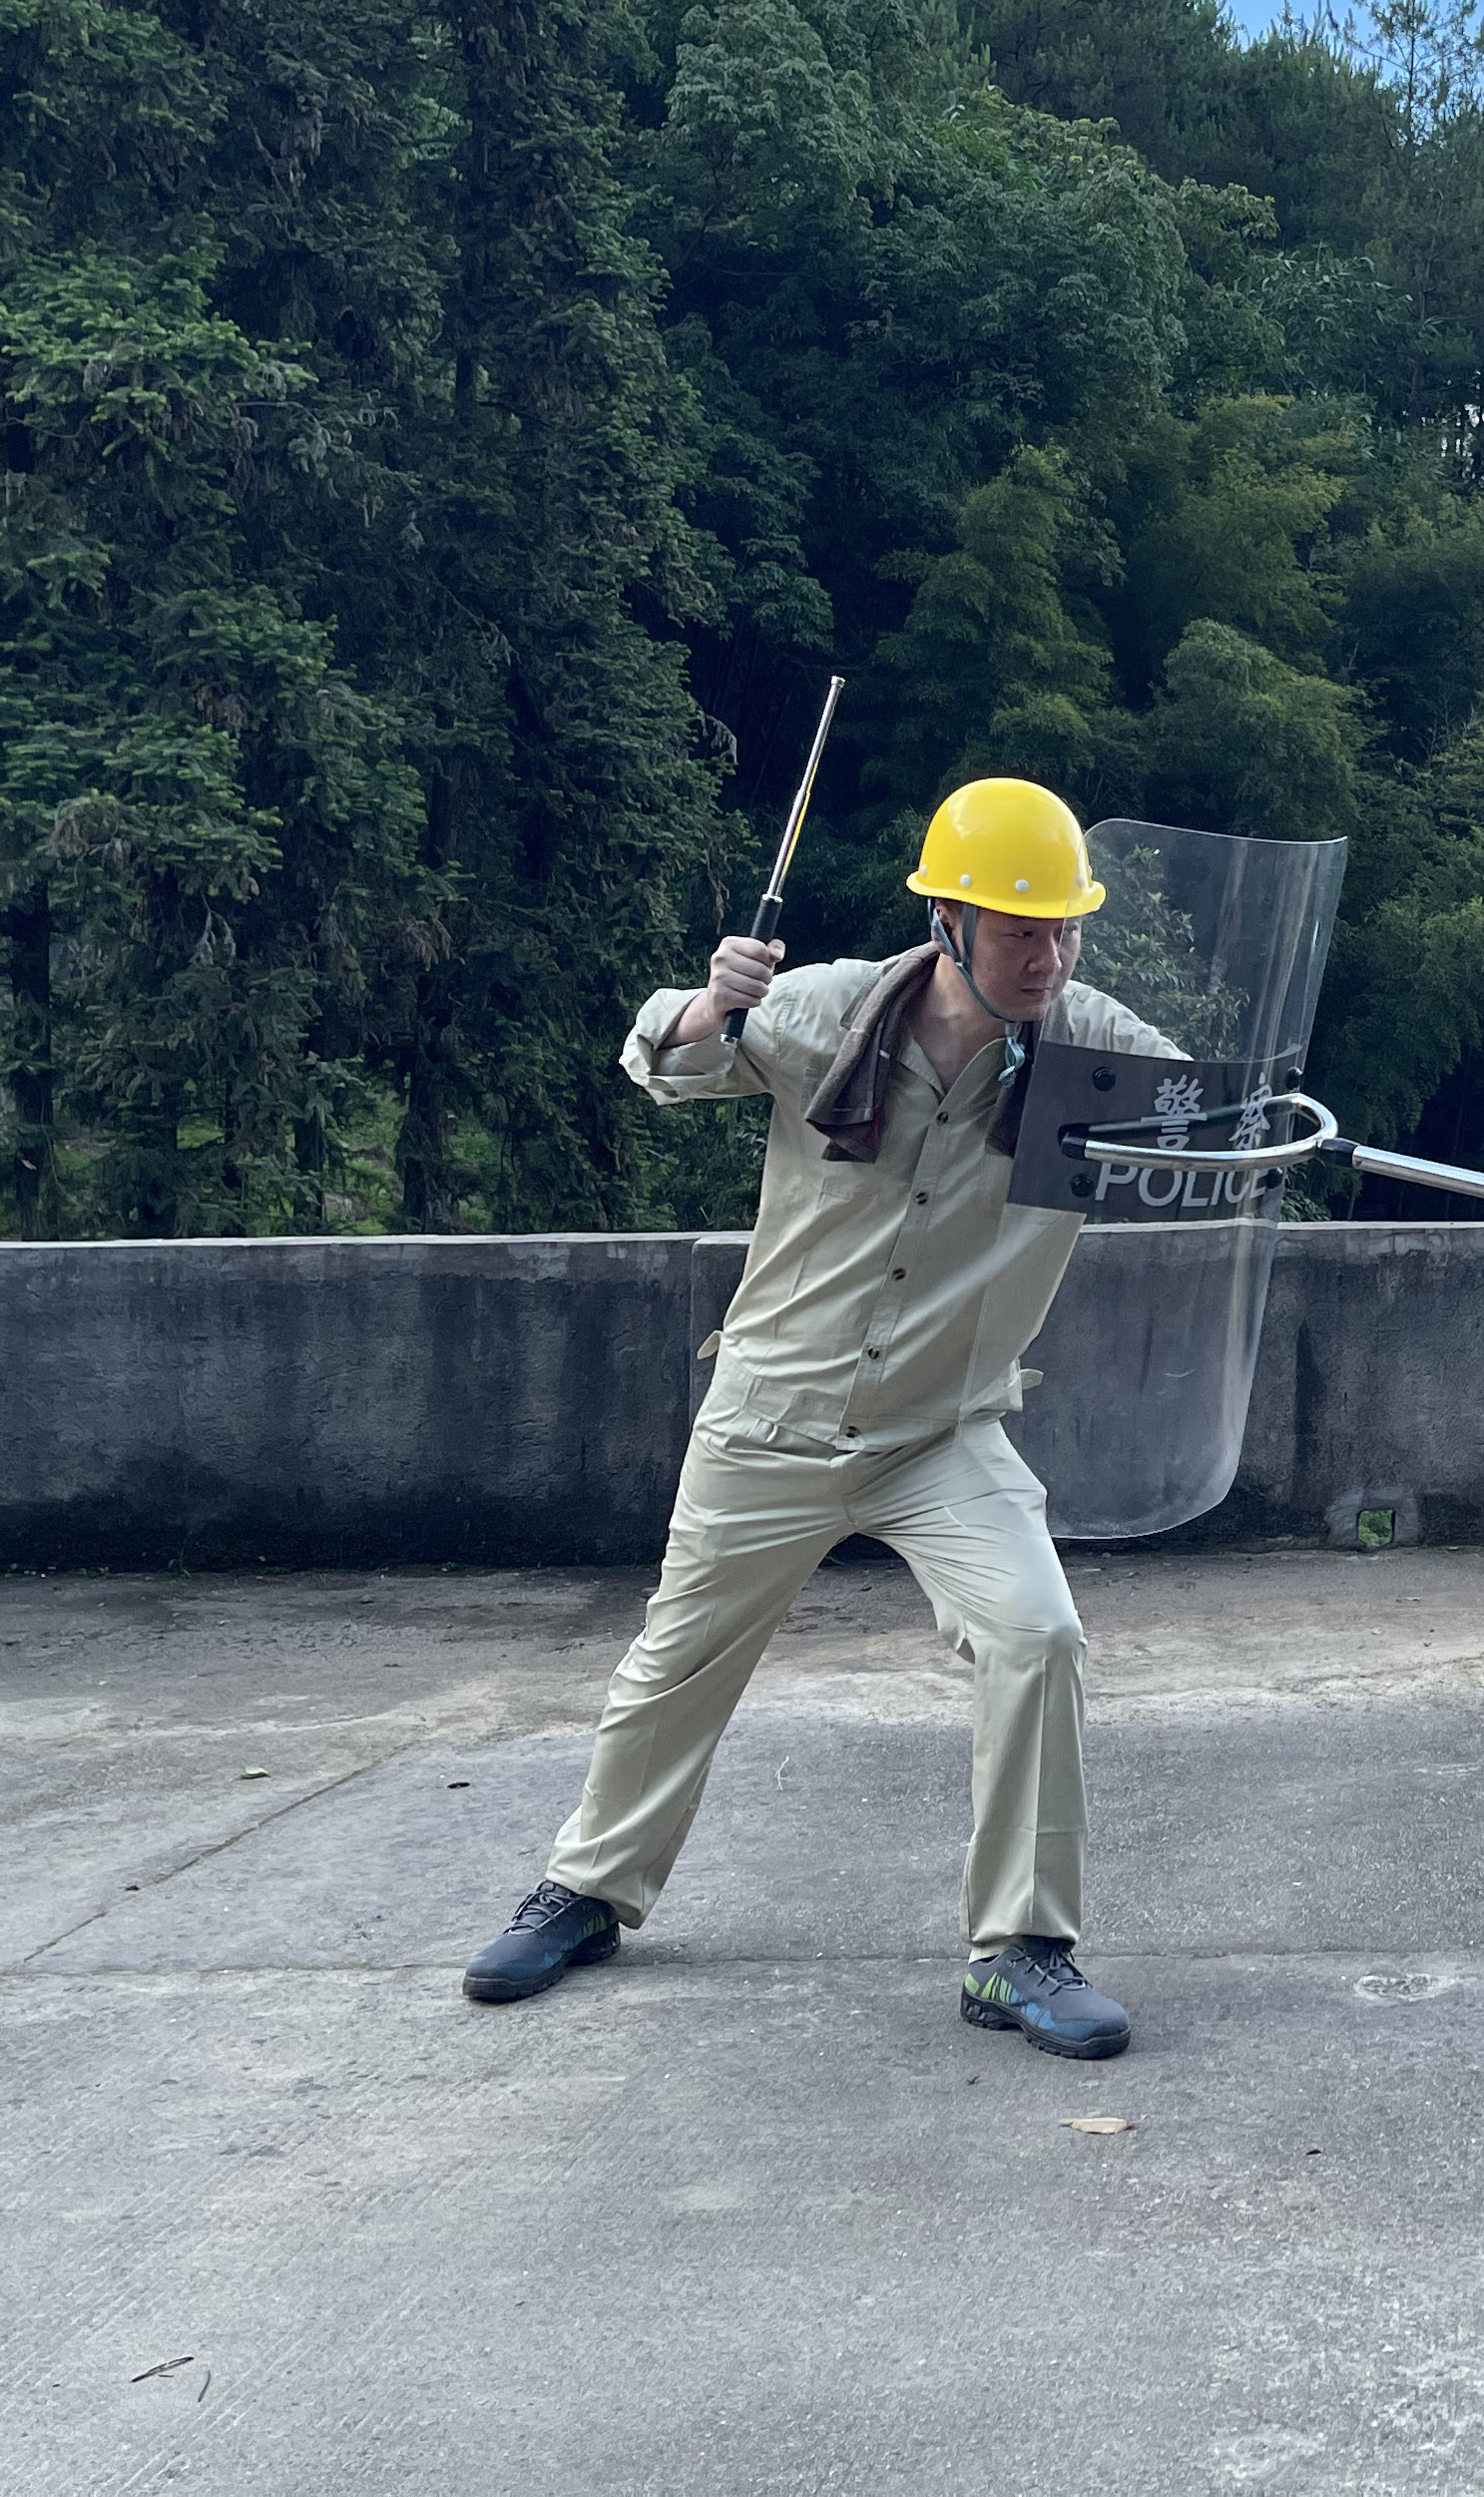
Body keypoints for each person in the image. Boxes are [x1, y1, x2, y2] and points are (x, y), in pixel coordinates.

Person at [458, 776, 1178, 2058]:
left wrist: (1260, 1123)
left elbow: (1205, 1105)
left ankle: (1021, 1951)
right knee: (674, 1663)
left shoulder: (1088, 1043)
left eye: (1066, 930)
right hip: (771, 1417)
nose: (1049, 958)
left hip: (942, 1433)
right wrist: (708, 1002)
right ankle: (587, 1892)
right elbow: (661, 1058)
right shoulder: (825, 1009)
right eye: (1022, 931)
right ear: (950, 922)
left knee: (1039, 1636)